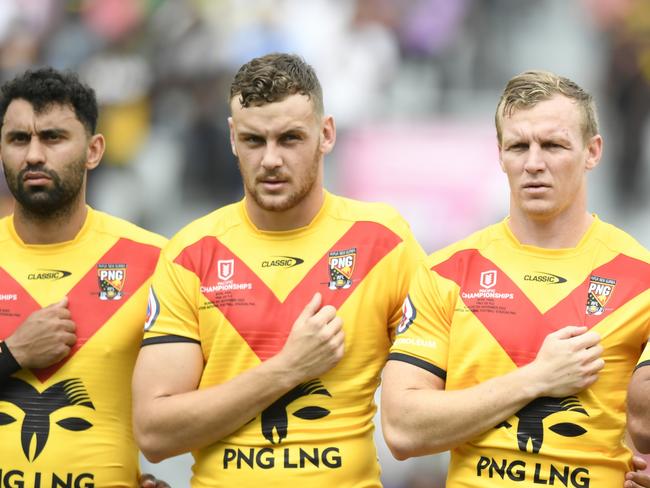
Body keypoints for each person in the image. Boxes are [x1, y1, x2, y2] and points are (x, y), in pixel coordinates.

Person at [131, 52, 425, 487]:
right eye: (254, 141)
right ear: (232, 138)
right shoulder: (192, 253)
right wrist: (288, 368)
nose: (270, 159)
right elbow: (154, 433)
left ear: (326, 135)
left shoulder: (383, 241)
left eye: (289, 138)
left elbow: (434, 401)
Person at [381, 70, 650, 488]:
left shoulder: (642, 278)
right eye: (519, 146)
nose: (534, 163)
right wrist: (537, 378)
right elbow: (401, 429)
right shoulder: (447, 272)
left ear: (592, 151)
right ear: (500, 154)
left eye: (554, 145)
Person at [0, 68, 168, 487]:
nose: (34, 155)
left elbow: (198, 402)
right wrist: (13, 353)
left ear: (94, 150)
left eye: (54, 137)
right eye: (19, 139)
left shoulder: (155, 260)